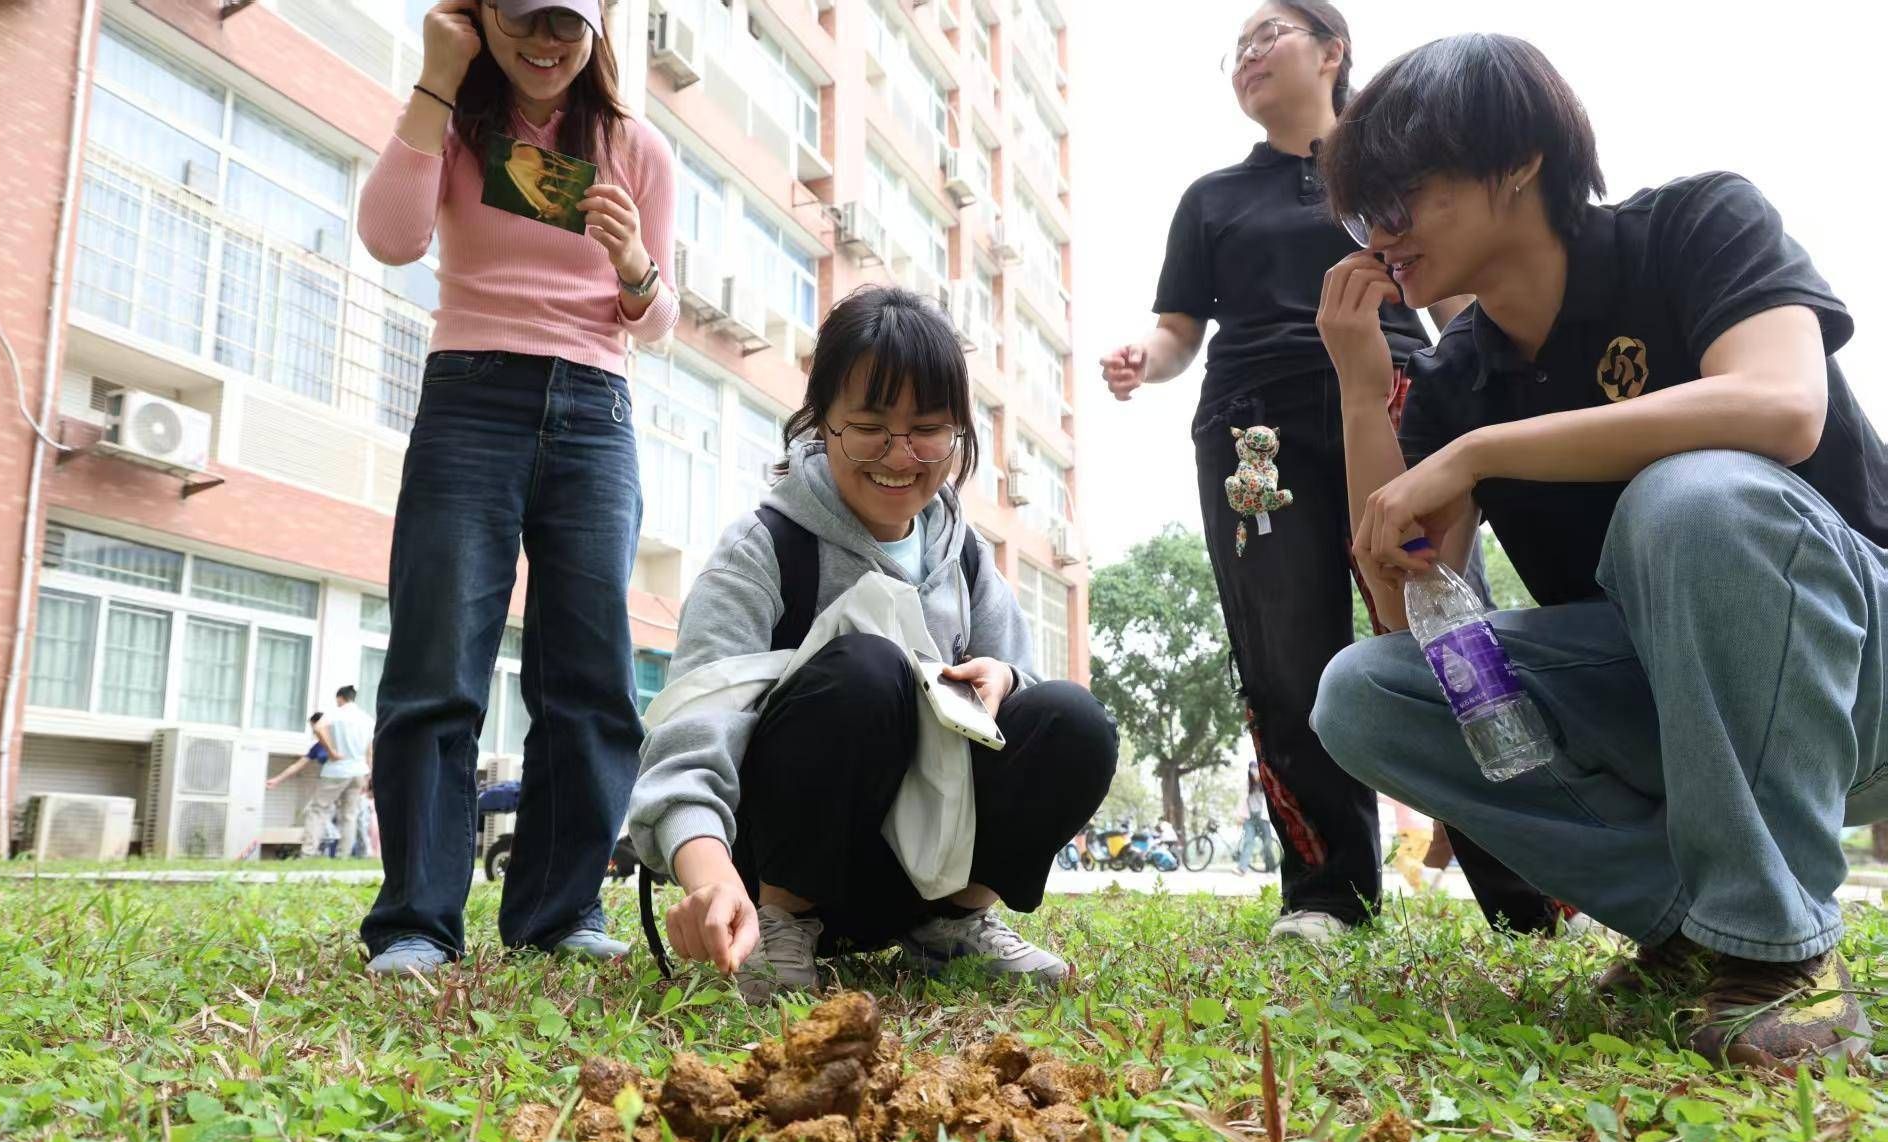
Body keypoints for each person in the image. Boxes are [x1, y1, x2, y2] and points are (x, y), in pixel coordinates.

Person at [1311, 33, 1886, 1068]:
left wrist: (1483, 453)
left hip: (1854, 673)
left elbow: (1783, 405)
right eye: (1363, 216)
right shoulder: (1460, 378)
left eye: (1401, 197)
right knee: (1368, 690)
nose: (1381, 235)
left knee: (1693, 498)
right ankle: (1694, 926)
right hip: (1668, 701)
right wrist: (1362, 391)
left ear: (1518, 162)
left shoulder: (1696, 225)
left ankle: (1780, 946)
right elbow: (1413, 619)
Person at [1098, 2, 1552, 941]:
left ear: (1332, 51)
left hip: (1400, 402)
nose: (1247, 55)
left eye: (1269, 35)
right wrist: (1147, 358)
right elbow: (1180, 330)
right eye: (1236, 49)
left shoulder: (1398, 178)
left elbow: (1459, 300)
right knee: (1285, 654)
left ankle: (1530, 888)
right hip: (1252, 429)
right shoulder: (1212, 199)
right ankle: (1327, 893)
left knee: (1446, 628)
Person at [628, 287, 1119, 1003]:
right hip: (773, 870)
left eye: (928, 430)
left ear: (958, 432)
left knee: (1075, 720)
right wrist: (709, 878)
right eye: (868, 427)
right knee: (867, 667)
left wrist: (1006, 682)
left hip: (919, 870)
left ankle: (951, 927)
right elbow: (692, 731)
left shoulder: (965, 555)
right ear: (821, 421)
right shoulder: (765, 548)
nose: (899, 456)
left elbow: (1031, 704)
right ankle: (782, 927)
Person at [355, 0, 679, 975]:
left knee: (590, 673)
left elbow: (656, 320)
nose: (546, 44)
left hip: (596, 407)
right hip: (471, 395)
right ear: (482, 15)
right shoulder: (454, 122)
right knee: (437, 660)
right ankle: (417, 920)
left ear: (597, 29)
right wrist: (437, 74)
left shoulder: (636, 147)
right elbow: (390, 238)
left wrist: (633, 262)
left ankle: (559, 910)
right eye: (525, 18)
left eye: (567, 24)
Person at [298, 687, 374, 862]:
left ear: (340, 698)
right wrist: (369, 775)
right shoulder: (367, 719)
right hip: (359, 771)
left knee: (318, 809)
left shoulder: (336, 713)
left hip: (337, 770)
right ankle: (343, 856)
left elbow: (318, 727)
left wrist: (331, 751)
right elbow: (369, 751)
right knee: (349, 815)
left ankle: (308, 853)